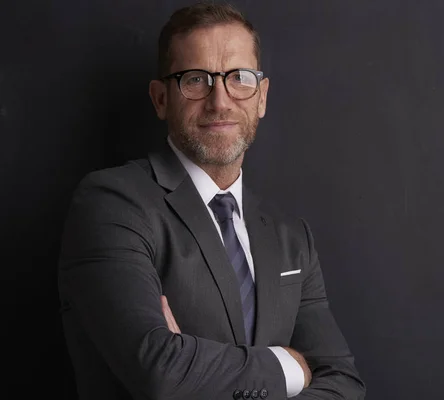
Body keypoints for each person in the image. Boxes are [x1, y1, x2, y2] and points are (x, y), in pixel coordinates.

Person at [57, 2, 366, 399]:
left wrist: (194, 368)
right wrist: (291, 365)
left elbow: (343, 384)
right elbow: (159, 372)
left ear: (262, 97)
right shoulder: (111, 204)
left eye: (239, 78)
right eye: (196, 79)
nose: (220, 101)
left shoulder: (292, 238)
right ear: (160, 99)